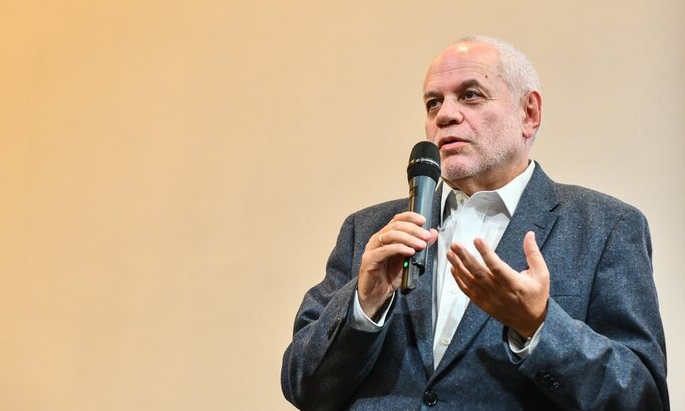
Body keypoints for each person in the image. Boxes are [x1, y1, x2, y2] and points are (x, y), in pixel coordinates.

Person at [281, 35, 669, 410]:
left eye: (470, 95)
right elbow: (303, 387)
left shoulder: (606, 227)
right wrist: (363, 305)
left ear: (529, 113)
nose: (445, 115)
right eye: (433, 102)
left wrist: (540, 326)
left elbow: (643, 397)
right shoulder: (369, 232)